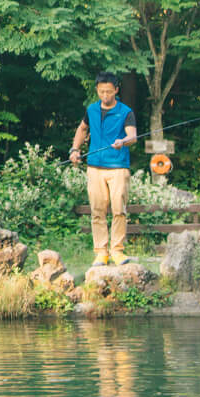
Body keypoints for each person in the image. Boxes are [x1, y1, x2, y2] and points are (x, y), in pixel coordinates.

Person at [71, 71, 138, 266]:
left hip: (117, 167)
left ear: (116, 90)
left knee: (118, 209)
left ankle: (117, 251)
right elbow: (82, 129)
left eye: (109, 92)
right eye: (101, 92)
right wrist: (75, 149)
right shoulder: (91, 110)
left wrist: (123, 141)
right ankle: (101, 252)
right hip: (94, 167)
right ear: (97, 91)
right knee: (97, 211)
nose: (105, 96)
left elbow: (132, 136)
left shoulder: (126, 112)